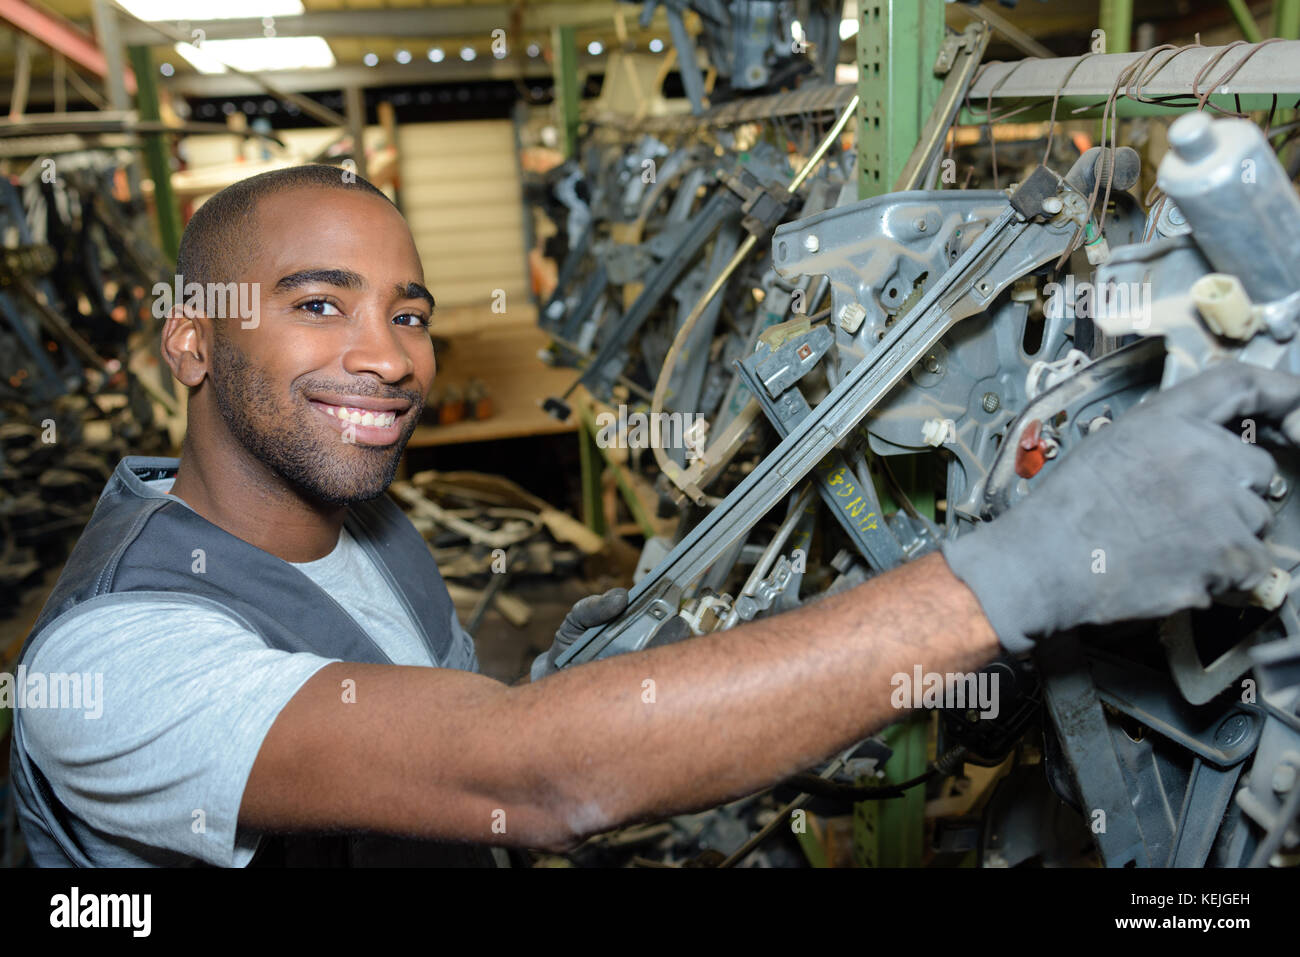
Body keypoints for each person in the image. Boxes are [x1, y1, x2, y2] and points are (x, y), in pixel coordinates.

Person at [11, 166, 1299, 867]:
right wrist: (1015, 574)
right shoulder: (116, 665)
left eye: (405, 313)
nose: (389, 356)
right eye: (316, 303)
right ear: (189, 342)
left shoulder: (365, 527)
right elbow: (532, 773)